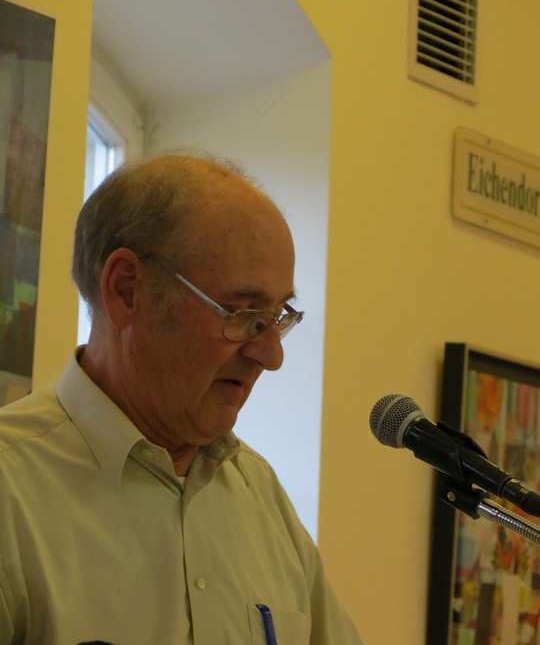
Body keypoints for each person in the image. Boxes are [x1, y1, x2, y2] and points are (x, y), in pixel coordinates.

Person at [0, 154, 363, 644]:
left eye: (278, 318)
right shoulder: (12, 490)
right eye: (242, 313)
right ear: (127, 289)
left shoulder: (260, 495)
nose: (271, 356)